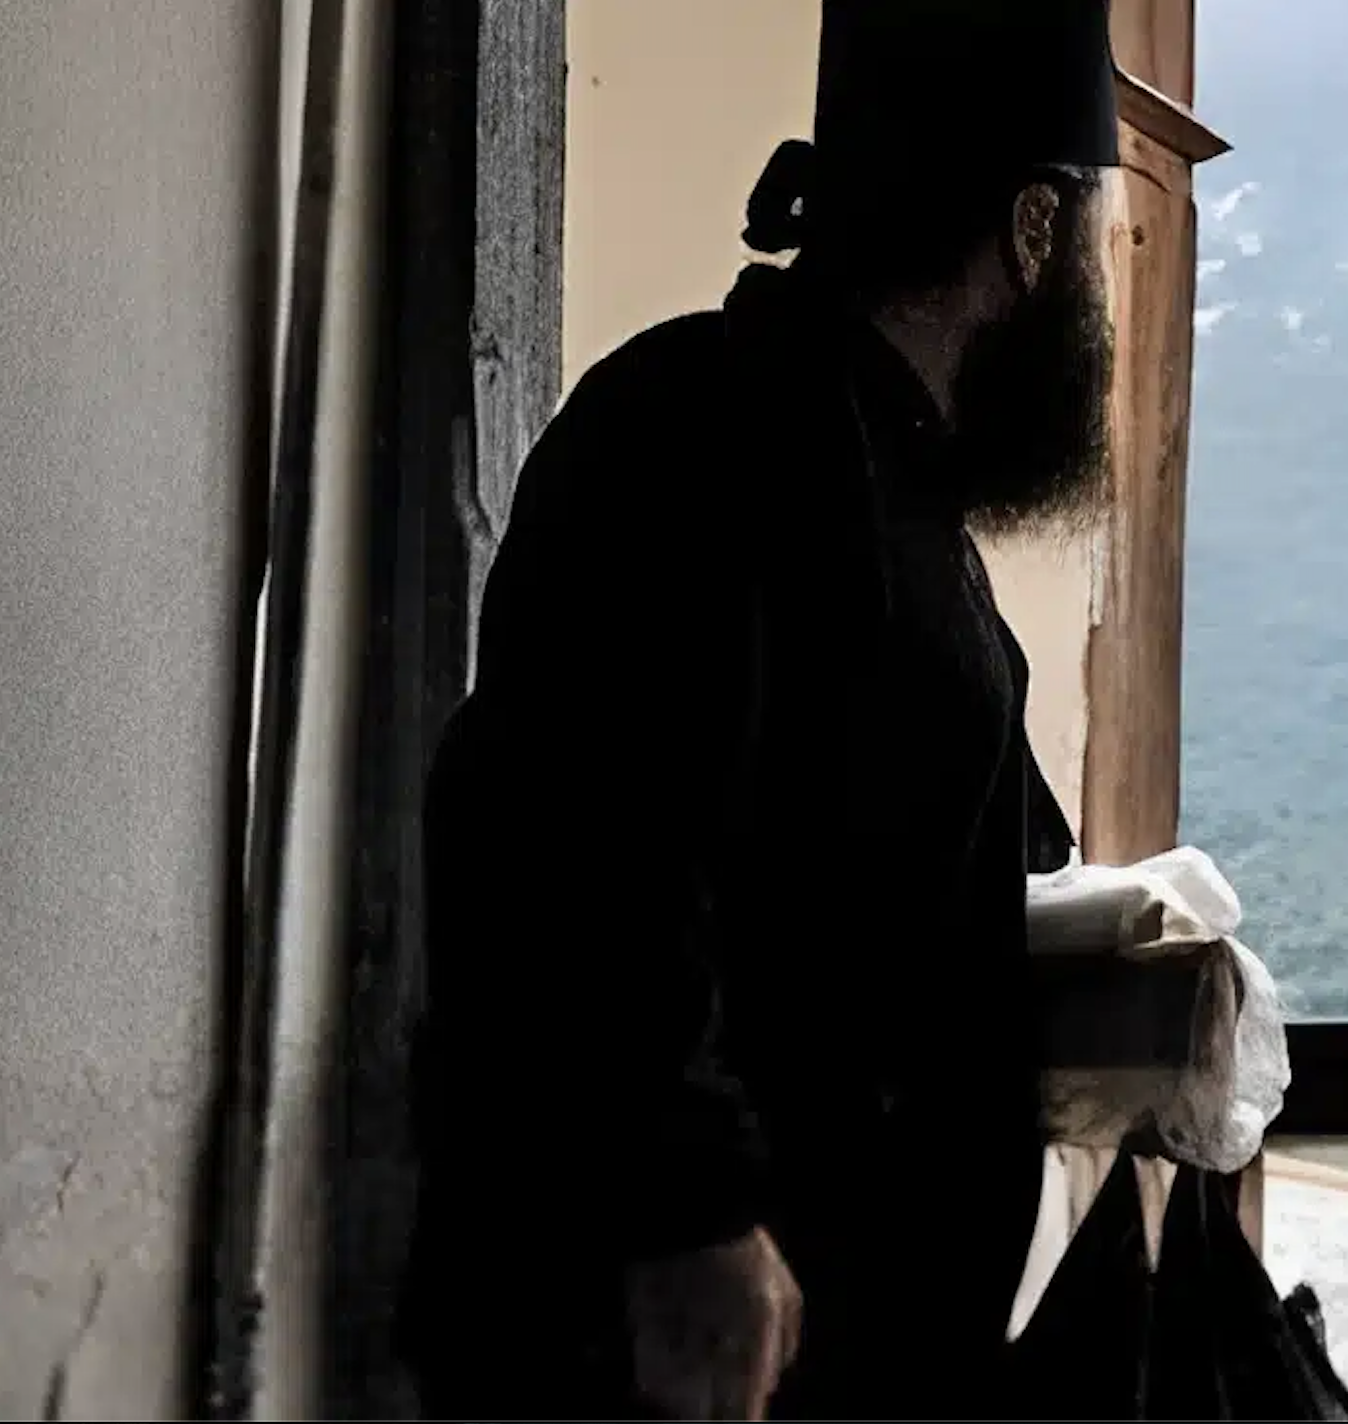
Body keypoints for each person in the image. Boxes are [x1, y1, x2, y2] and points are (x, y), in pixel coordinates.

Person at [404, 1, 1125, 1416]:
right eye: (1085, 238)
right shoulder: (704, 423)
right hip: (687, 1330)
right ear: (1033, 228)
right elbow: (575, 838)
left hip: (822, 1328)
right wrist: (693, 1214)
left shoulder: (898, 494)